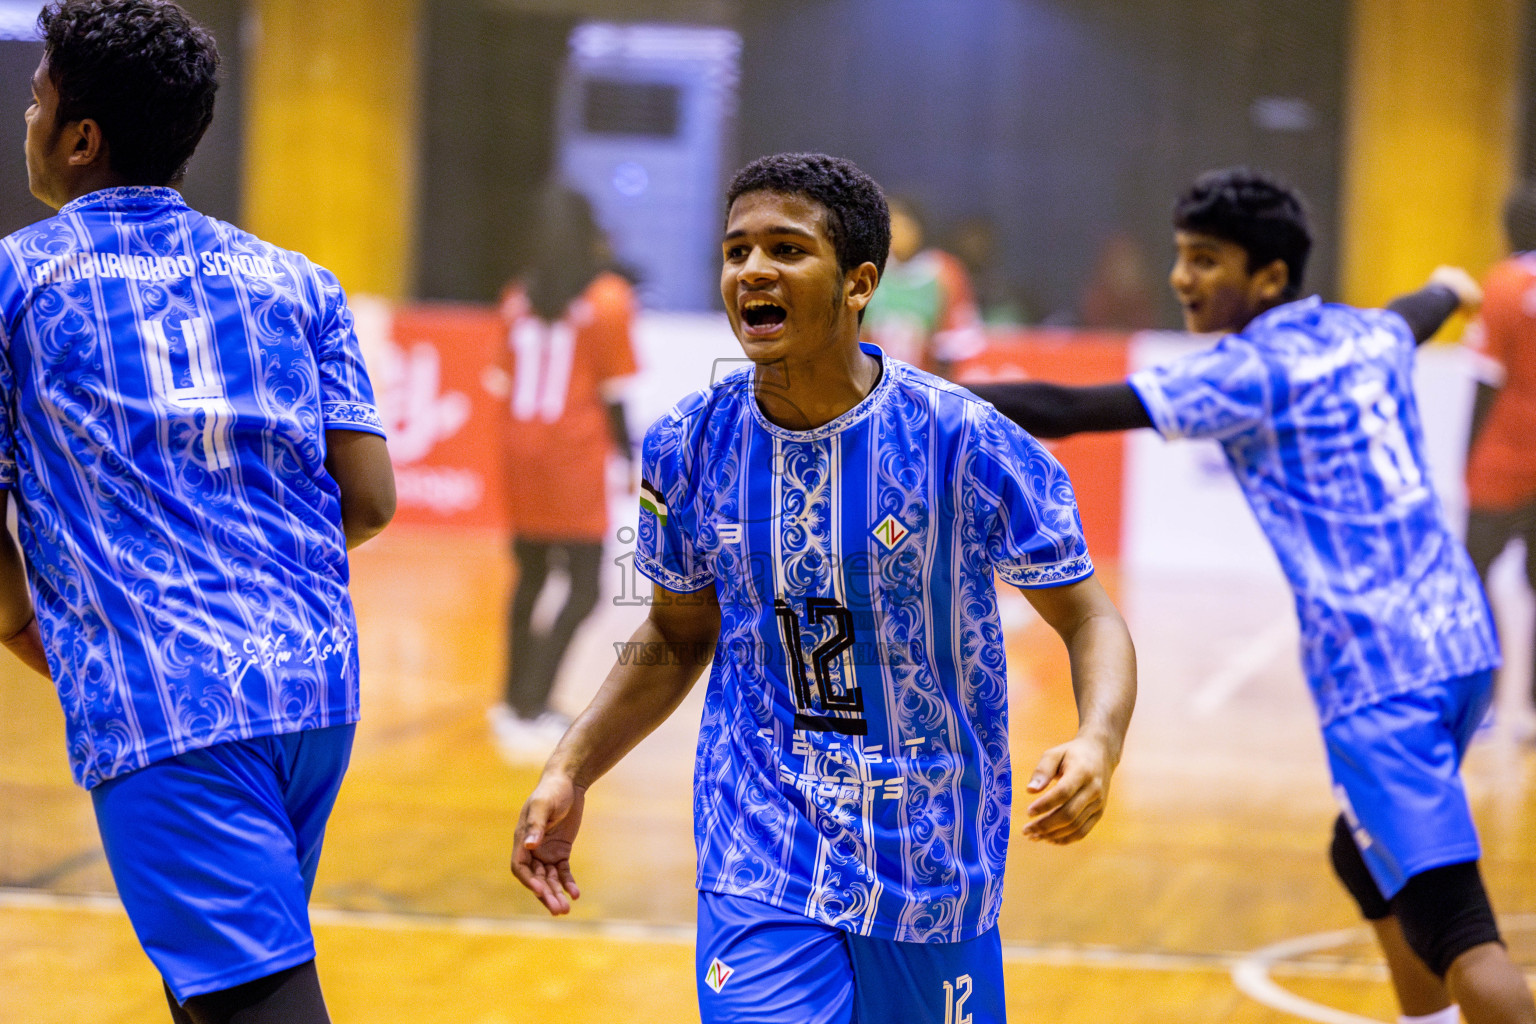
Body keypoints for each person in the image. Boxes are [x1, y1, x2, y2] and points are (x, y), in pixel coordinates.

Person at [511, 152, 1137, 1024]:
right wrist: (570, 768)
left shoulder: (966, 441)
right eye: (737, 252)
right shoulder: (686, 447)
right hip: (758, 841)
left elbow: (1090, 616)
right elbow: (677, 632)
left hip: (929, 855)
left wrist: (1098, 740)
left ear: (859, 283)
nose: (754, 271)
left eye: (787, 249)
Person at [969, 167, 1534, 1024]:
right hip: (1460, 651)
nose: (1181, 278)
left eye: (1205, 260)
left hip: (1382, 679)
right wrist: (1447, 288)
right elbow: (1413, 315)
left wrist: (903, 394)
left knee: (1461, 932)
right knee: (1363, 854)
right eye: (1181, 256)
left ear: (1268, 278)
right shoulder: (1361, 335)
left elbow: (1071, 405)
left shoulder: (1248, 373)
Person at [0, 3, 395, 1021]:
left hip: (166, 704)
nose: (26, 122)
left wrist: (22, 622)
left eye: (36, 103)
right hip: (314, 689)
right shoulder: (297, 281)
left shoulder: (16, 282)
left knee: (253, 1003)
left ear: (80, 139)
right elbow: (371, 497)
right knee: (219, 983)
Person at [484, 185, 638, 760]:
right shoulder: (608, 299)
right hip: (573, 455)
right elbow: (615, 391)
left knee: (528, 577)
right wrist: (628, 457)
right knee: (585, 586)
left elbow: (499, 384)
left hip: (519, 452)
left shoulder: (516, 297)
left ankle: (510, 699)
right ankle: (534, 702)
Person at [1462, 182, 1536, 738]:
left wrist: (1467, 458)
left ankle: (1483, 705)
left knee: (1472, 576)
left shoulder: (1502, 285)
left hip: (1502, 458)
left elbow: (1485, 381)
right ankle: (1530, 709)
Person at [860, 195, 986, 378]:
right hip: (872, 381)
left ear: (919, 227)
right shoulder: (868, 270)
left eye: (904, 226)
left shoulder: (943, 272)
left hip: (925, 383)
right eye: (891, 226)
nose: (897, 234)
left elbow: (959, 339)